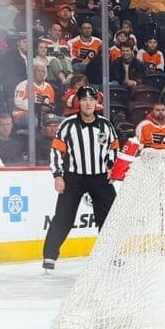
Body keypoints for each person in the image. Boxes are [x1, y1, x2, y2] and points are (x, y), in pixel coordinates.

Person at [42, 86, 119, 273]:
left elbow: (113, 147)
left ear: (96, 102)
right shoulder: (68, 125)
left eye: (91, 99)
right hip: (74, 177)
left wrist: (111, 167)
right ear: (78, 102)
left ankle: (111, 254)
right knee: (63, 217)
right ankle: (49, 256)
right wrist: (58, 175)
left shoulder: (106, 125)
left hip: (100, 178)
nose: (88, 103)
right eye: (84, 99)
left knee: (110, 218)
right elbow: (57, 151)